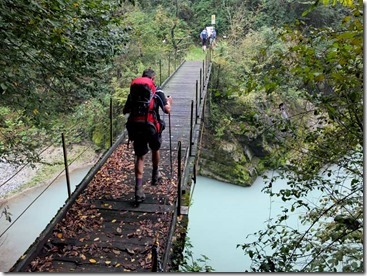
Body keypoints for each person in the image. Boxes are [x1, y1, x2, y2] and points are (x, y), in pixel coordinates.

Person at [123, 68, 172, 203]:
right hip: (151, 127)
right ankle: (155, 174)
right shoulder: (157, 90)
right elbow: (167, 110)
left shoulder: (133, 92)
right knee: (155, 149)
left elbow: (125, 110)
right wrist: (169, 102)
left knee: (140, 157)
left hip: (136, 126)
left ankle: (138, 190)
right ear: (153, 79)